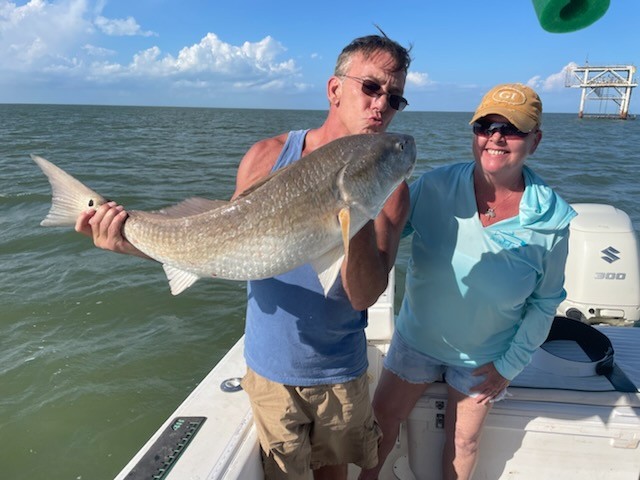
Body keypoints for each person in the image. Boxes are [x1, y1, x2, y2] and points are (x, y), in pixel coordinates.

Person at [75, 32, 412, 480]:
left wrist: (360, 208)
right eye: (371, 87)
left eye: (395, 99)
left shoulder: (392, 191)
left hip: (342, 372)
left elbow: (364, 296)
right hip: (271, 371)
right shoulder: (267, 155)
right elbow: (217, 245)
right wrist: (127, 240)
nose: (381, 106)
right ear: (335, 89)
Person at [359, 83, 577, 480]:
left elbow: (546, 302)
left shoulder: (553, 219)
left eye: (511, 128)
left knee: (465, 441)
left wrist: (509, 366)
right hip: (417, 340)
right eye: (485, 125)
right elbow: (383, 236)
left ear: (535, 140)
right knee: (381, 419)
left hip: (484, 356)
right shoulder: (434, 186)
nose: (495, 136)